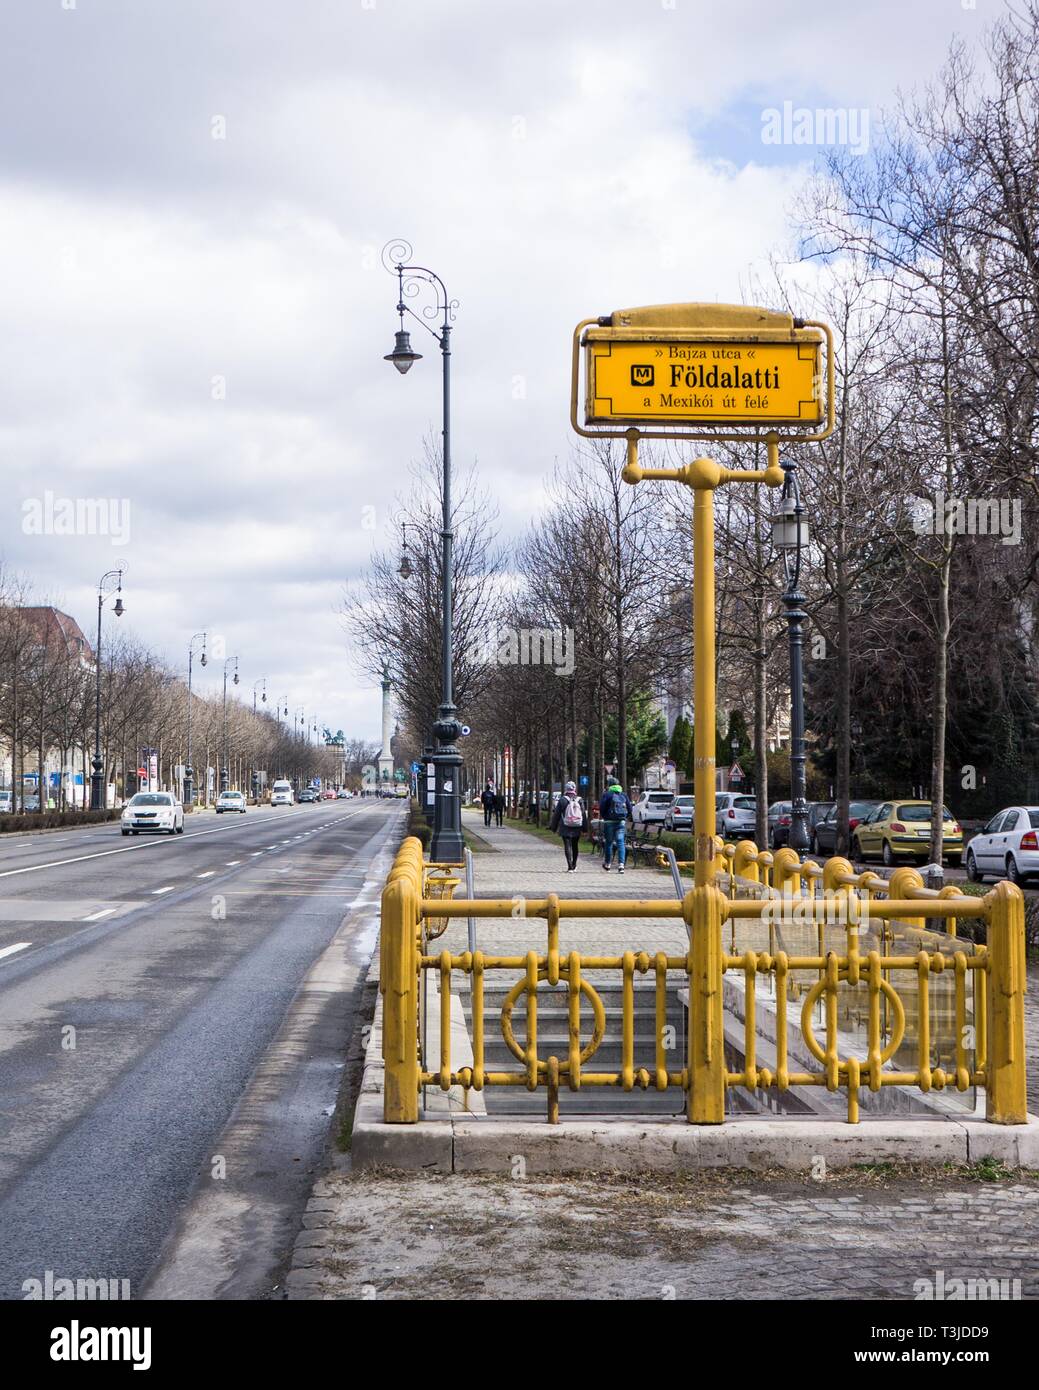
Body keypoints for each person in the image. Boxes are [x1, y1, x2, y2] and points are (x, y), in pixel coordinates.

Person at [550, 780, 587, 872]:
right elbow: (583, 815)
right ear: (574, 789)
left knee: (567, 846)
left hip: (565, 826)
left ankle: (570, 866)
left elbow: (557, 815)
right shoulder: (579, 800)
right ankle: (574, 865)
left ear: (566, 789)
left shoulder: (563, 800)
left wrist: (553, 827)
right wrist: (585, 828)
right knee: (575, 845)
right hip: (577, 826)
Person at [599, 779, 632, 873]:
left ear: (609, 785)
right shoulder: (624, 795)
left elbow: (602, 808)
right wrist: (624, 817)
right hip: (620, 822)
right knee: (621, 842)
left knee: (609, 843)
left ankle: (608, 864)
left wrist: (606, 817)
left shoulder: (607, 794)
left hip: (609, 822)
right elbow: (630, 809)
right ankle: (621, 865)